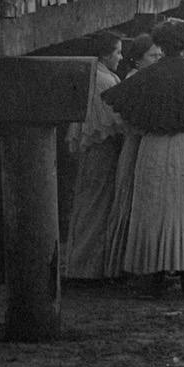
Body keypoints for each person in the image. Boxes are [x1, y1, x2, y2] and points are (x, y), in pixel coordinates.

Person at [99, 17, 184, 298]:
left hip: (153, 146)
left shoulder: (147, 75)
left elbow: (117, 106)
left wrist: (141, 126)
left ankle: (155, 277)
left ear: (160, 42)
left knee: (152, 209)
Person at [64, 32, 127, 281]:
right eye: (118, 52)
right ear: (105, 54)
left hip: (91, 148)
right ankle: (87, 269)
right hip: (101, 149)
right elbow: (114, 122)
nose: (121, 58)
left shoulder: (92, 74)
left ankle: (80, 264)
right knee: (97, 205)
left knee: (87, 204)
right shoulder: (104, 81)